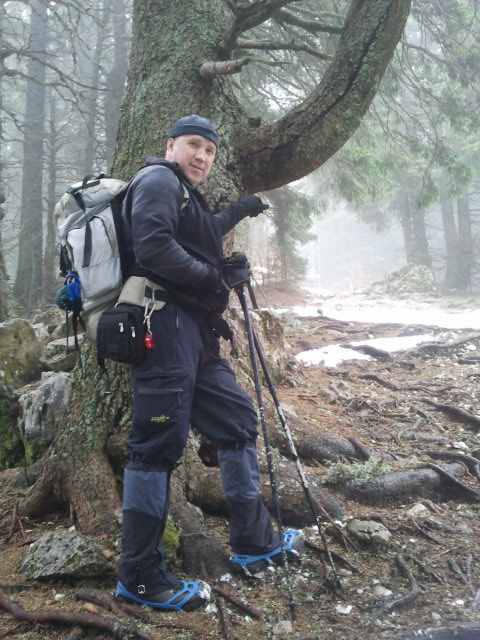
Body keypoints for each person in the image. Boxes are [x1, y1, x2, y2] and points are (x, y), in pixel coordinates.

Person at [115, 115, 303, 612]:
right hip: (163, 327)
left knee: (238, 422)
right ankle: (137, 575)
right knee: (156, 446)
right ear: (170, 144)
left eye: (210, 151)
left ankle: (253, 543)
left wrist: (241, 210)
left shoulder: (185, 193)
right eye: (193, 145)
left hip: (194, 337)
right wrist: (215, 278)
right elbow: (154, 246)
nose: (202, 156)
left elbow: (205, 230)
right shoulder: (157, 179)